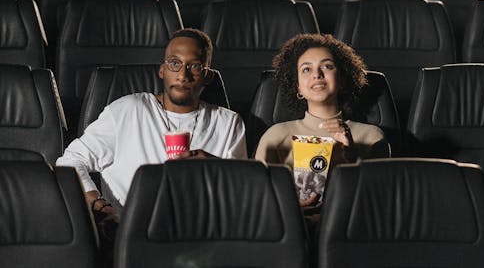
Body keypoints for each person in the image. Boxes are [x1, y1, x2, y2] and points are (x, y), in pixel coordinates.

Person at [56, 28, 247, 219]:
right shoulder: (127, 110)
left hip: (198, 230)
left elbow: (242, 194)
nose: (182, 75)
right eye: (174, 63)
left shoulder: (228, 123)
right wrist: (99, 205)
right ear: (162, 71)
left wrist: (217, 167)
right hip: (129, 228)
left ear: (208, 76)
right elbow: (70, 162)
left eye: (195, 66)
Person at [254, 33, 390, 206]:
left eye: (327, 66)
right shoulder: (275, 137)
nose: (317, 74)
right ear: (298, 87)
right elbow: (258, 200)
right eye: (306, 69)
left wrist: (353, 157)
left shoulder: (372, 137)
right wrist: (293, 209)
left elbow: (380, 201)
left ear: (341, 79)